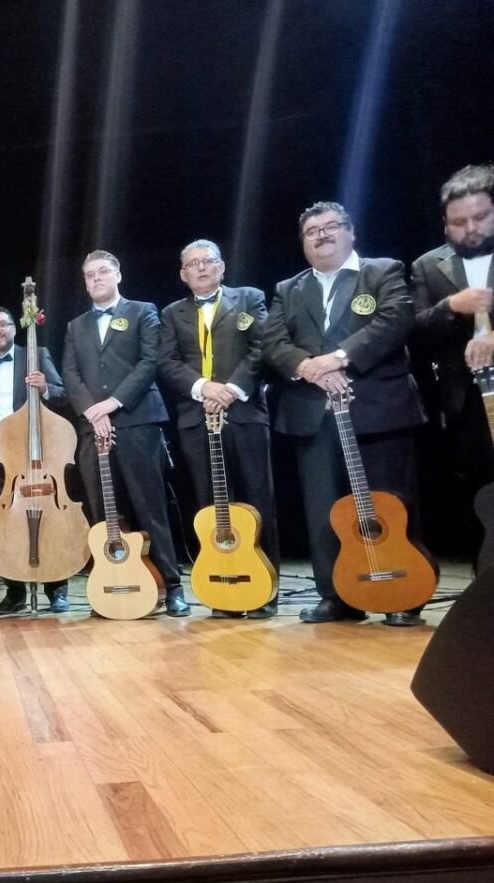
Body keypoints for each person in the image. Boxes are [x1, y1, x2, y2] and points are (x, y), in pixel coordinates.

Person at [262, 202, 427, 625]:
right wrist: (308, 368)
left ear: (350, 233)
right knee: (323, 509)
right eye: (311, 231)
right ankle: (337, 596)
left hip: (378, 409)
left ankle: (403, 594)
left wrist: (337, 359)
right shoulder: (288, 288)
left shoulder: (383, 271)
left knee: (392, 503)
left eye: (330, 227)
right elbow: (273, 343)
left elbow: (395, 320)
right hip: (313, 415)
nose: (321, 235)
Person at [62, 250, 188, 616]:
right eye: (89, 275)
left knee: (150, 507)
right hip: (92, 427)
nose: (96, 279)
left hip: (136, 420)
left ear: (118, 275)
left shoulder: (142, 311)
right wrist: (90, 410)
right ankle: (111, 583)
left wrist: (111, 404)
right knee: (104, 512)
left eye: (103, 272)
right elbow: (71, 375)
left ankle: (172, 585)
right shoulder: (76, 325)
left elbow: (150, 363)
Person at [158, 241, 280, 618]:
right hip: (196, 417)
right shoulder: (172, 313)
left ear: (222, 267)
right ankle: (222, 587)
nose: (201, 268)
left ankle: (265, 591)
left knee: (257, 500)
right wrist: (203, 388)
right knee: (210, 506)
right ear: (183, 274)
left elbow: (262, 348)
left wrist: (230, 390)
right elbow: (166, 361)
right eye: (192, 264)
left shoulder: (249, 298)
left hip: (243, 412)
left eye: (208, 261)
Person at [0, 305, 70, 613]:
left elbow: (63, 394)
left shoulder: (36, 354)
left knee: (51, 522)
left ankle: (57, 590)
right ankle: (14, 592)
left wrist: (46, 388)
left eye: (2, 325)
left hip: (39, 457)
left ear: (14, 328)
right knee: (6, 527)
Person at [410, 164, 494, 535]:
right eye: (459, 221)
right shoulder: (428, 266)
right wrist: (450, 307)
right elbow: (412, 331)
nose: (471, 228)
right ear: (445, 224)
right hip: (466, 401)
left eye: (480, 217)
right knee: (480, 495)